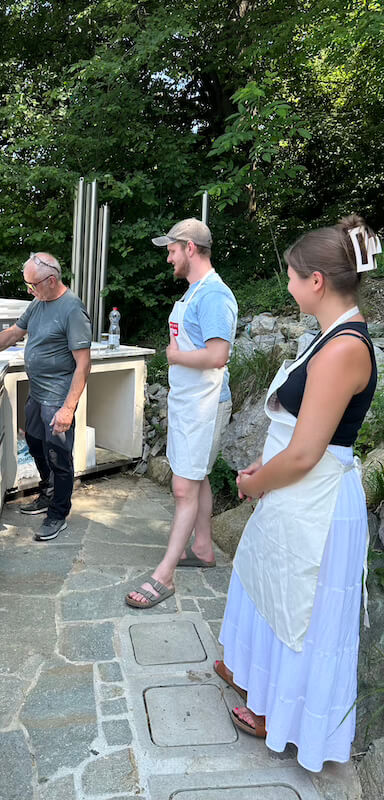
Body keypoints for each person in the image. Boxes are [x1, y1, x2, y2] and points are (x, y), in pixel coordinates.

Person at [215, 215, 380, 772]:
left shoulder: (345, 348)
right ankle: (254, 679)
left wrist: (254, 482)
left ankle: (282, 716)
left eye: (290, 276)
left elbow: (311, 453)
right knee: (267, 586)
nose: (285, 285)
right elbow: (303, 425)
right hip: (294, 490)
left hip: (319, 499)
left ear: (315, 282)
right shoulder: (329, 336)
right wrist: (267, 464)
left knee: (300, 612)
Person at [126, 218, 238, 608]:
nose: (168, 258)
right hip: (191, 402)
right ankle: (203, 547)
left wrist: (174, 356)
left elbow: (218, 355)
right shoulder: (194, 293)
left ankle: (165, 575)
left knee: (183, 487)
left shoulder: (213, 296)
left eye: (172, 250)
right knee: (198, 478)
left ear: (190, 248)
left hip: (206, 405)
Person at [0, 252, 92, 541]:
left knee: (59, 455)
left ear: (51, 280)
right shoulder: (38, 303)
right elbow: (13, 333)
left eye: (32, 285)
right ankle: (48, 492)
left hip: (58, 398)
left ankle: (58, 514)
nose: (29, 291)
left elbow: (84, 363)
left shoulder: (72, 310)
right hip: (38, 393)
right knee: (34, 442)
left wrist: (68, 409)